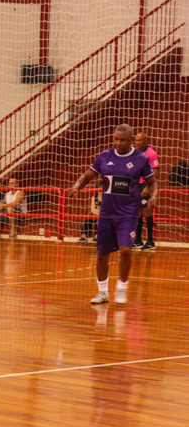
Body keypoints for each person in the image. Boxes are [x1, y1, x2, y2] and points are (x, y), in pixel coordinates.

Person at [67, 124, 157, 305]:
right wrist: (76, 187)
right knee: (102, 254)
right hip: (107, 213)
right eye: (116, 139)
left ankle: (122, 287)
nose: (118, 143)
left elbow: (153, 182)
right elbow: (86, 176)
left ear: (131, 140)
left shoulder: (140, 159)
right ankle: (102, 292)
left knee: (125, 250)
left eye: (123, 140)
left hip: (128, 213)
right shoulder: (104, 156)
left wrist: (153, 197)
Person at [132, 132, 159, 251]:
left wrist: (148, 187)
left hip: (146, 184)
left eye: (140, 140)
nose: (137, 142)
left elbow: (155, 171)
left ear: (145, 141)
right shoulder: (134, 152)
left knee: (147, 211)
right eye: (136, 140)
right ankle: (138, 240)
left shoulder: (151, 153)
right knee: (137, 211)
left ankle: (150, 241)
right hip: (136, 185)